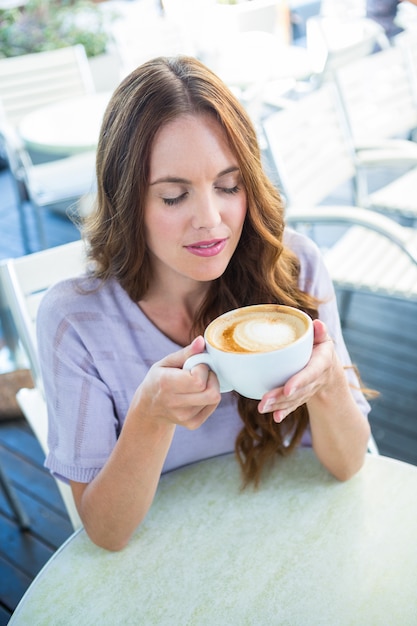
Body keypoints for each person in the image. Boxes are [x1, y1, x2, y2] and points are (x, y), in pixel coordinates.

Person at [37, 56, 372, 551]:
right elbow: (107, 532)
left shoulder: (294, 267)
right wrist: (149, 416)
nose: (211, 220)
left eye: (228, 185)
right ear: (126, 200)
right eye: (174, 196)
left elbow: (348, 464)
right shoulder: (75, 321)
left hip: (303, 540)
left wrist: (326, 387)